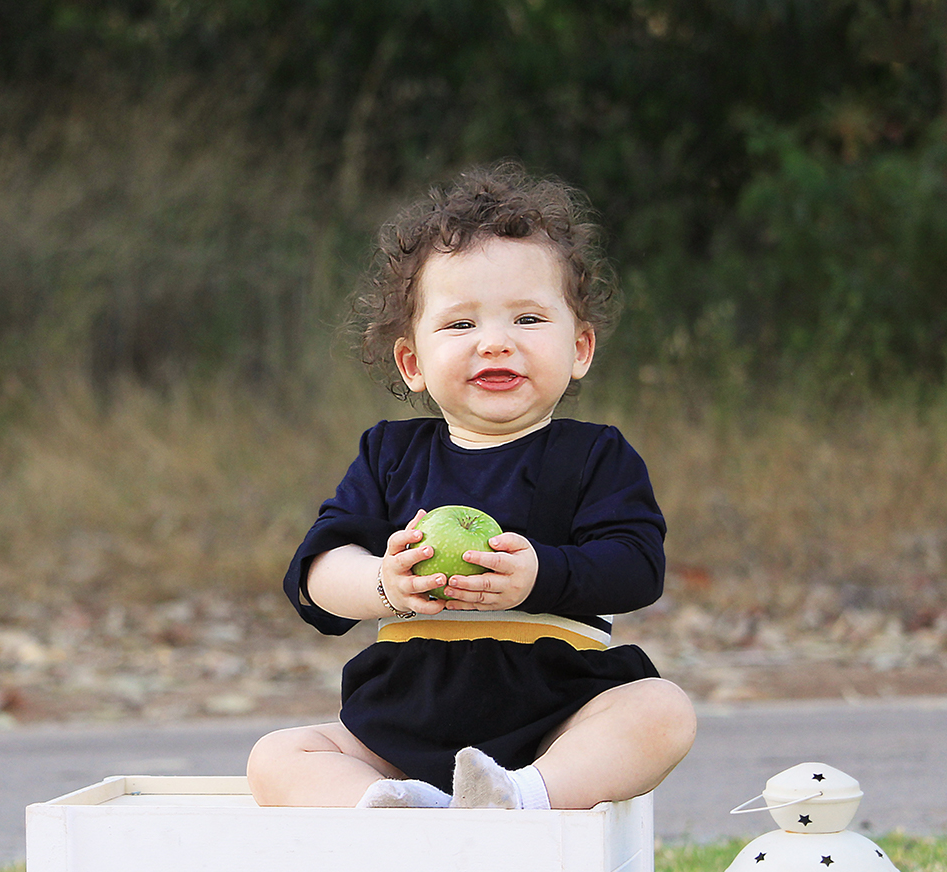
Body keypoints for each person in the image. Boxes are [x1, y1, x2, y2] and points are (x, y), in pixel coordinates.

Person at [246, 163, 696, 810]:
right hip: (405, 720)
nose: (495, 344)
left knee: (663, 709)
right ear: (413, 362)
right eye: (461, 325)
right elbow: (318, 572)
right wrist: (385, 583)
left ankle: (520, 796)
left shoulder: (593, 454)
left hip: (555, 716)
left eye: (528, 320)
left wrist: (540, 572)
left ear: (580, 349)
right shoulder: (390, 454)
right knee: (277, 756)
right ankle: (399, 807)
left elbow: (636, 567)